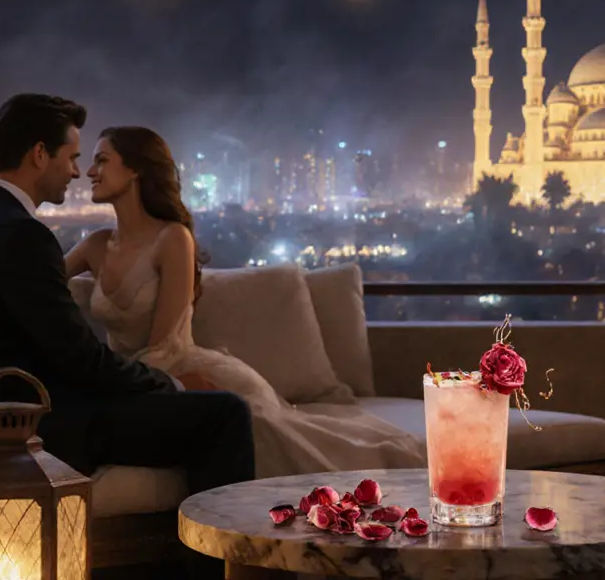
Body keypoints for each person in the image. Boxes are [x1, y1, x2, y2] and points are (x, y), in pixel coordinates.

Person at [0, 94, 252, 580]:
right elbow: (81, 360)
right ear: (39, 155)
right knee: (226, 415)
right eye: (71, 157)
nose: (76, 172)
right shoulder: (24, 236)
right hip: (40, 423)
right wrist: (171, 384)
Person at [66, 126, 425, 479]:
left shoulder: (172, 239)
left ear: (135, 169)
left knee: (285, 441)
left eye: (102, 160)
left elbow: (162, 347)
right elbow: (41, 278)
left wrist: (111, 385)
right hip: (137, 382)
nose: (90, 171)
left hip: (184, 373)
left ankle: (393, 466)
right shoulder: (95, 246)